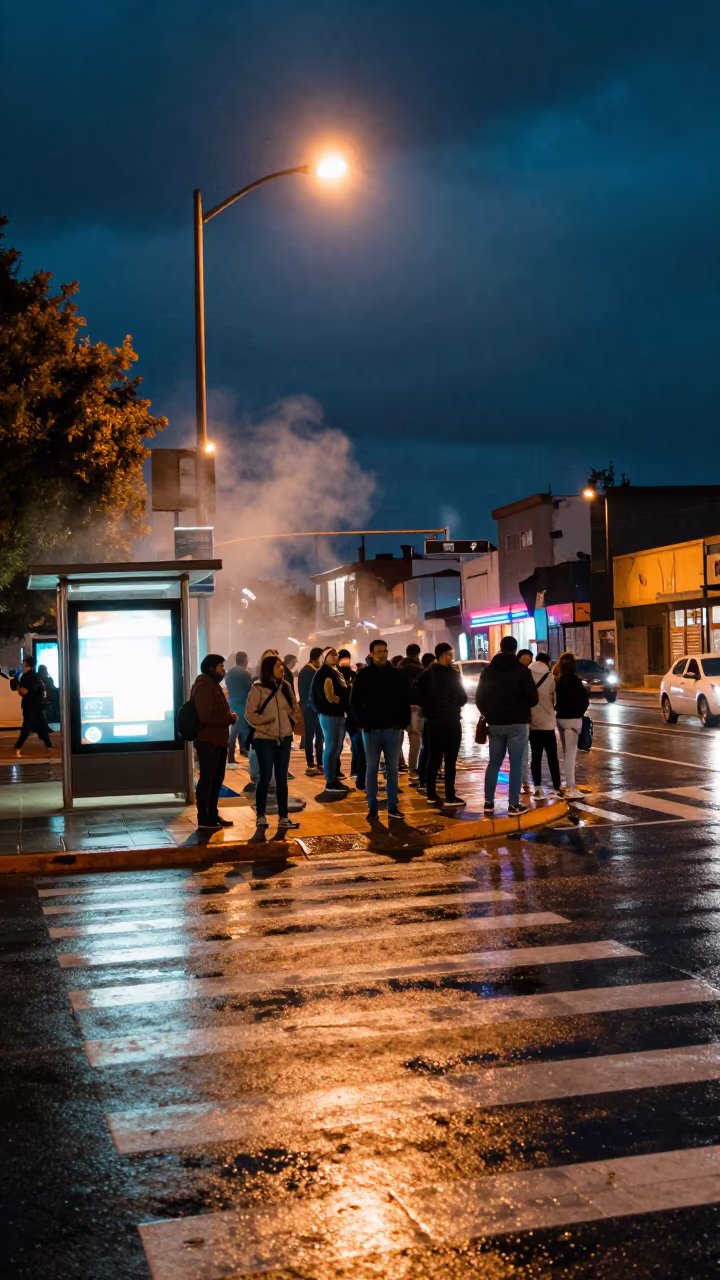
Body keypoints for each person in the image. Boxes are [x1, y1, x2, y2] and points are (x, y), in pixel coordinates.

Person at [476, 635, 539, 817]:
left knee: (494, 763)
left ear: (500, 648)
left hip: (495, 724)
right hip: (517, 724)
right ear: (515, 649)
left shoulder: (488, 671)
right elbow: (533, 698)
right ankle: (513, 805)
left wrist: (489, 713)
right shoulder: (522, 671)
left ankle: (488, 802)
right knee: (516, 764)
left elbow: (479, 698)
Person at [349, 638, 411, 820]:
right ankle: (372, 806)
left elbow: (404, 699)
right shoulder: (363, 675)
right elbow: (354, 702)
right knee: (371, 769)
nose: (383, 654)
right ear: (372, 654)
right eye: (379, 651)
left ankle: (392, 806)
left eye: (385, 651)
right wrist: (363, 723)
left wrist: (402, 722)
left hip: (392, 729)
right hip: (371, 730)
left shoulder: (396, 674)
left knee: (393, 770)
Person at [245, 654, 301, 829]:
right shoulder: (258, 688)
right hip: (265, 738)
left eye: (282, 667)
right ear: (269, 669)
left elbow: (294, 710)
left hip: (284, 737)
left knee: (282, 779)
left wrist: (293, 712)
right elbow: (249, 715)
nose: (282, 670)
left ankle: (283, 817)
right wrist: (267, 720)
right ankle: (260, 815)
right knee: (265, 776)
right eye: (278, 667)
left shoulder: (286, 686)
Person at [415, 642, 467, 808]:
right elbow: (462, 697)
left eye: (451, 655)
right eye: (448, 655)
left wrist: (428, 708)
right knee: (448, 760)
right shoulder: (450, 674)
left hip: (434, 721)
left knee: (435, 758)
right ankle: (449, 796)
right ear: (441, 655)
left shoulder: (426, 674)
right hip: (449, 720)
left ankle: (432, 794)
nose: (451, 658)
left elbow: (416, 694)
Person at [191, 654, 237, 830]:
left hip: (217, 741)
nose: (223, 670)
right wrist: (229, 718)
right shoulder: (204, 685)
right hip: (208, 741)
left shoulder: (212, 684)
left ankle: (213, 814)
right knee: (208, 780)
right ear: (211, 668)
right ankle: (204, 819)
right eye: (221, 667)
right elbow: (206, 716)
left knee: (216, 780)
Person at [310, 647, 350, 796]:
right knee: (331, 748)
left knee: (336, 748)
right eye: (331, 654)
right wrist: (339, 701)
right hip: (330, 714)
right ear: (324, 657)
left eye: (336, 653)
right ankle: (330, 781)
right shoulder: (323, 673)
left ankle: (334, 778)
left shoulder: (335, 671)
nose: (336, 656)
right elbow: (328, 695)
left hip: (338, 714)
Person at [553, 651, 590, 799]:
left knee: (566, 753)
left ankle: (568, 784)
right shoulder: (575, 681)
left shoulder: (557, 681)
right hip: (573, 720)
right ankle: (570, 786)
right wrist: (579, 711)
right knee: (570, 755)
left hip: (560, 719)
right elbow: (584, 701)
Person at [528, 651, 561, 796]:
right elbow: (556, 700)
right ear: (547, 663)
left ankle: (537, 786)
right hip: (547, 723)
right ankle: (556, 786)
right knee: (552, 756)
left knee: (536, 756)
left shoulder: (527, 674)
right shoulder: (550, 677)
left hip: (532, 723)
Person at [12, 656, 52, 756]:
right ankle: (48, 745)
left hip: (30, 706)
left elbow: (24, 692)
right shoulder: (33, 676)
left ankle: (18, 746)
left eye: (23, 663)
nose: (21, 665)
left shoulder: (26, 677)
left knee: (27, 727)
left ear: (26, 664)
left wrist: (20, 689)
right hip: (36, 705)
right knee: (40, 726)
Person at [338, 649, 365, 789]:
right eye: (342, 658)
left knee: (357, 744)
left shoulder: (354, 675)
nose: (345, 661)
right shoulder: (335, 675)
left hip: (353, 715)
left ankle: (355, 770)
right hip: (339, 714)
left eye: (347, 658)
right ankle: (336, 771)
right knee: (337, 745)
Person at [398, 643, 424, 778]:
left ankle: (395, 766)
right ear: (418, 654)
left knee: (398, 740)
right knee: (415, 739)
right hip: (416, 708)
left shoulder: (398, 668)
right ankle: (413, 769)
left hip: (400, 708)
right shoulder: (420, 669)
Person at [298, 647, 324, 775]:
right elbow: (303, 693)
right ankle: (310, 764)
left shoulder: (317, 670)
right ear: (317, 657)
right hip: (309, 710)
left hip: (319, 710)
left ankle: (320, 763)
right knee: (309, 736)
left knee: (320, 736)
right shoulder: (306, 671)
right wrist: (307, 707)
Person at [415, 652, 438, 793]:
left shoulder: (425, 676)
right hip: (430, 717)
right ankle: (424, 778)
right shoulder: (426, 676)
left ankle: (426, 777)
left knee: (428, 748)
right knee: (428, 748)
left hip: (430, 716)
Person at [224, 651, 253, 765]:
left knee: (235, 729)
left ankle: (241, 750)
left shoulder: (229, 673)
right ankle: (232, 757)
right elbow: (249, 690)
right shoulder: (245, 674)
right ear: (245, 660)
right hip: (242, 704)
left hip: (232, 703)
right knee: (238, 730)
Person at [517, 648, 534, 794]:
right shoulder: (523, 675)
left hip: (524, 719)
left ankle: (525, 783)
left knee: (523, 754)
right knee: (522, 753)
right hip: (520, 719)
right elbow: (532, 698)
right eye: (524, 658)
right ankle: (523, 783)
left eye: (529, 659)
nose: (526, 661)